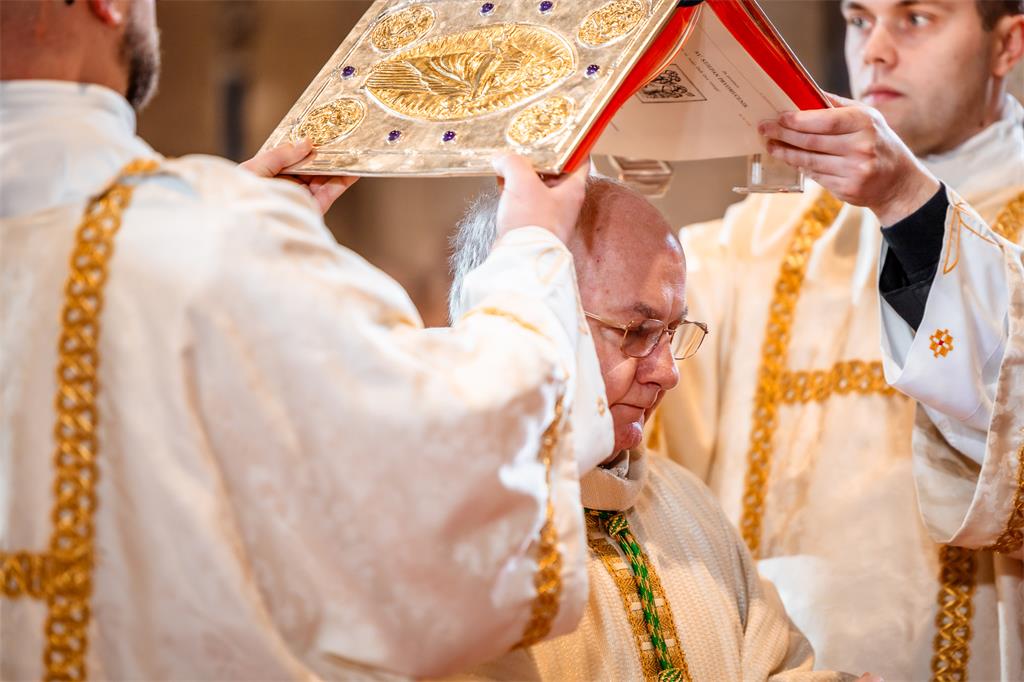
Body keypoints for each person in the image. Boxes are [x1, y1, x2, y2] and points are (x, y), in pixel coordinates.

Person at [0, 0, 616, 678]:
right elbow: (454, 460)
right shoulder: (215, 240)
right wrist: (531, 250)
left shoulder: (203, 236)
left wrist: (235, 247)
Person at [650, 0, 1024, 678]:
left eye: (915, 18)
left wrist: (909, 205)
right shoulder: (763, 232)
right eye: (858, 20)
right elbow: (637, 379)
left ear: (1008, 45)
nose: (874, 49)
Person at [447, 177, 858, 682]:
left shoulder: (688, 502)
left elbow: (775, 667)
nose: (668, 372)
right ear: (525, 319)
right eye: (637, 331)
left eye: (671, 332)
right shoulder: (455, 528)